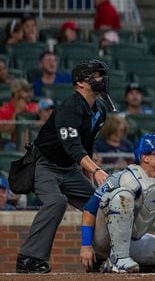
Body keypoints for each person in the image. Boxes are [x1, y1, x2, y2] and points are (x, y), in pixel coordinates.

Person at [15, 60, 111, 273]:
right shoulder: (70, 106)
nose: (100, 79)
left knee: (101, 203)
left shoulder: (101, 108)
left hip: (70, 169)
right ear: (80, 83)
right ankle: (29, 258)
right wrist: (96, 170)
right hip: (45, 165)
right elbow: (73, 147)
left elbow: (87, 147)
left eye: (100, 75)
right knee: (56, 202)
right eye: (93, 76)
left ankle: (99, 256)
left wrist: (89, 179)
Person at [80, 133, 155, 273]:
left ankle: (111, 264)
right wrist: (86, 246)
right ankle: (116, 259)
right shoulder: (122, 177)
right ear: (144, 157)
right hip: (103, 239)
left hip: (133, 240)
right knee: (122, 196)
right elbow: (89, 210)